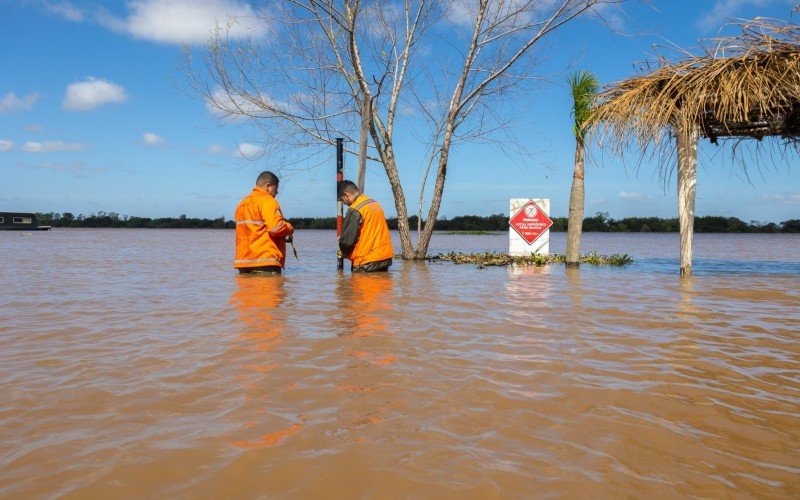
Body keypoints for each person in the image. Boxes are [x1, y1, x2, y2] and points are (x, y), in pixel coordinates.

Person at [234, 171, 294, 274]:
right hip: (265, 263)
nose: (277, 193)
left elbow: (256, 231)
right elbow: (276, 228)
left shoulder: (242, 204)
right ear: (268, 186)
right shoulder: (268, 201)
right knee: (271, 290)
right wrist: (290, 228)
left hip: (243, 264)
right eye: (276, 189)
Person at [338, 180, 394, 273]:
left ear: (346, 194)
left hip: (366, 262)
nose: (344, 203)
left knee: (360, 287)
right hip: (385, 258)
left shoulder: (355, 209)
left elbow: (347, 241)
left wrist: (343, 252)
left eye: (342, 199)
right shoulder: (374, 204)